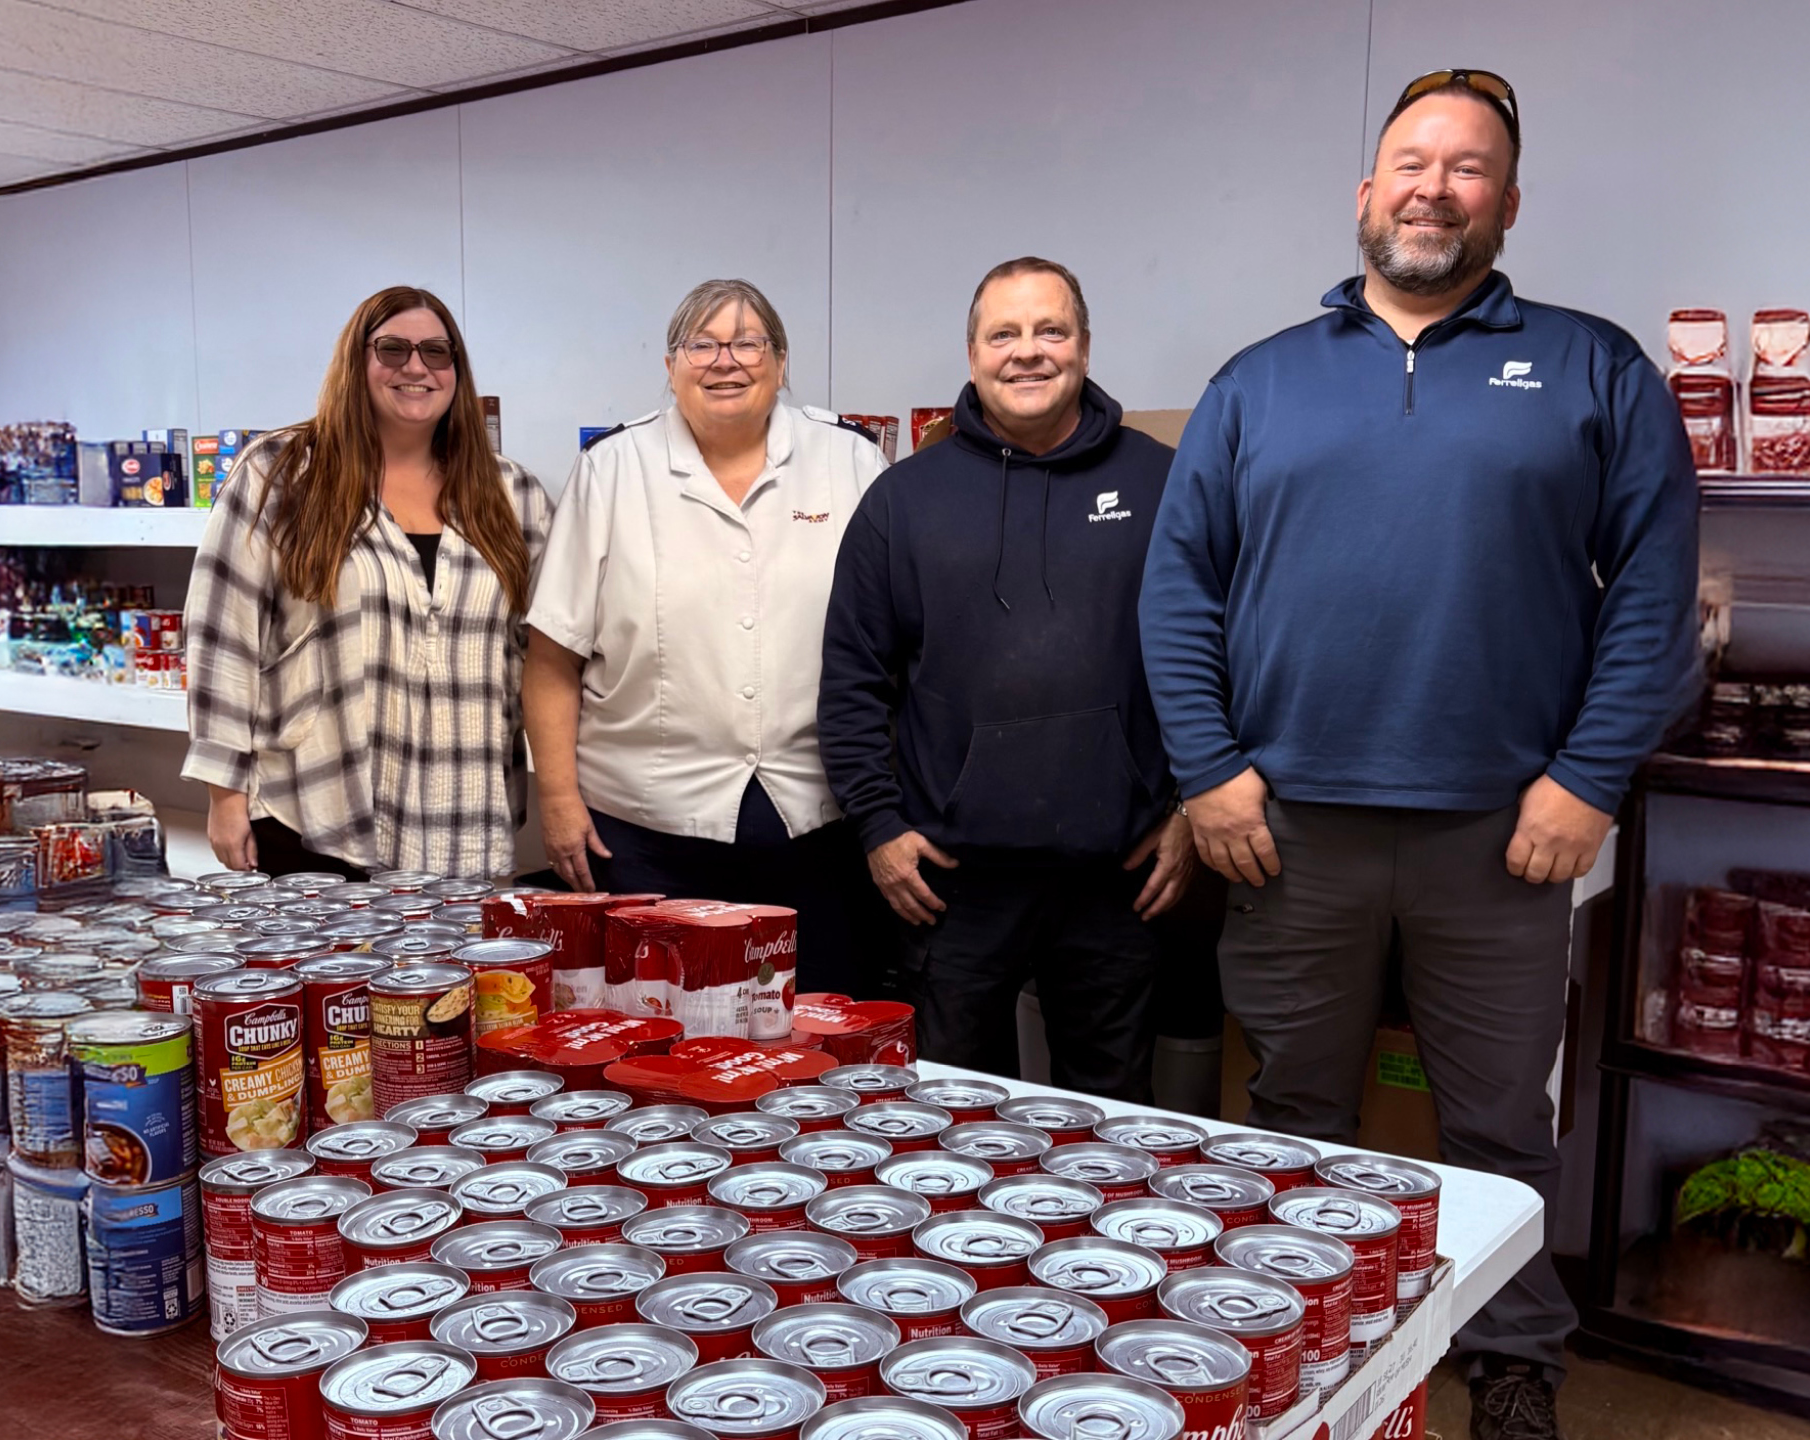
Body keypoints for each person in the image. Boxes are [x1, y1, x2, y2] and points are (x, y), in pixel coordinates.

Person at [1140, 71, 1699, 1440]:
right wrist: (1207, 771)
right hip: (1287, 829)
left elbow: (1652, 595)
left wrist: (1587, 780)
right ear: (1364, 192)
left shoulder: (1593, 368)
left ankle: (1512, 1359)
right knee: (1293, 1111)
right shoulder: (1257, 381)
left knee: (1499, 1123)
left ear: (1506, 204)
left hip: (1502, 834)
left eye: (1466, 168)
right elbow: (1177, 590)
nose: (1432, 188)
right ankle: (1304, 1339)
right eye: (1411, 162)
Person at [819, 257, 1194, 1103]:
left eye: (1050, 331)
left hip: (1119, 878)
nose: (1027, 351)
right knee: (953, 1121)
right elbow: (851, 679)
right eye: (1004, 334)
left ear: (1085, 348)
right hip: (951, 885)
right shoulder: (903, 500)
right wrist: (878, 827)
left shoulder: (1163, 482)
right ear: (972, 353)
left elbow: (1221, 654)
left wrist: (1188, 810)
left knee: (1109, 1122)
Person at [524, 279, 888, 994]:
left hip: (819, 826)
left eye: (748, 343)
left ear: (781, 362)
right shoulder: (612, 470)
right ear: (671, 365)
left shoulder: (850, 463)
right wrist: (559, 804)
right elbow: (552, 657)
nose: (726, 361)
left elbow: (901, 644)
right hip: (643, 834)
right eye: (703, 345)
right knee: (656, 1027)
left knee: (811, 1024)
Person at [184, 285, 551, 880]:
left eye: (436, 352)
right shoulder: (281, 472)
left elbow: (545, 654)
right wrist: (224, 796)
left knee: (453, 949)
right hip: (314, 805)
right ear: (356, 361)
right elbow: (221, 637)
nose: (416, 368)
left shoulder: (514, 494)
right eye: (393, 349)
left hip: (464, 814)